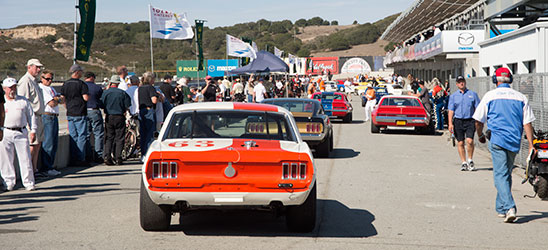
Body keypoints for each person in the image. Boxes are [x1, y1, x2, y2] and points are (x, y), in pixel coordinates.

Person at [473, 67, 535, 223]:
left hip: (497, 139)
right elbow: (527, 123)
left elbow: (478, 121)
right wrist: (531, 145)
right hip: (514, 141)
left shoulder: (490, 96)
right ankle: (500, 208)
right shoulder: (520, 97)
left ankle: (509, 207)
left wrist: (480, 135)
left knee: (500, 175)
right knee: (505, 173)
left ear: (495, 80)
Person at [1, 77, 36, 191]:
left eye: (15, 87)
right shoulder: (3, 102)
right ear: (4, 89)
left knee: (25, 158)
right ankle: (8, 182)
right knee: (6, 159)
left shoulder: (23, 101)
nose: (13, 90)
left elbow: (31, 116)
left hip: (21, 132)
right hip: (6, 131)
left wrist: (33, 130)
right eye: (10, 88)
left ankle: (28, 182)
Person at [448, 76, 481, 171]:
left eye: (463, 81)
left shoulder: (473, 94)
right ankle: (463, 162)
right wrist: (450, 123)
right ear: (457, 84)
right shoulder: (453, 96)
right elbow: (451, 110)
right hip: (458, 121)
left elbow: (477, 108)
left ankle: (470, 160)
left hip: (470, 120)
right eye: (459, 82)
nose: (461, 83)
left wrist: (478, 121)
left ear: (465, 83)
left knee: (470, 141)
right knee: (460, 142)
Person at [17, 58, 45, 173]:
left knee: (37, 145)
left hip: (38, 116)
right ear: (29, 67)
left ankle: (34, 169)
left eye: (39, 67)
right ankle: (29, 171)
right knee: (32, 145)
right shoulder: (25, 81)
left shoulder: (34, 81)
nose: (39, 70)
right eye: (36, 67)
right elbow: (22, 101)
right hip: (31, 117)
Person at [60, 64, 89, 166]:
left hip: (70, 113)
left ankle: (73, 157)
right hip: (80, 112)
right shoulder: (81, 84)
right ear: (77, 72)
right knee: (82, 136)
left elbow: (62, 99)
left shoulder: (66, 84)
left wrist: (67, 106)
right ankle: (80, 158)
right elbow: (85, 98)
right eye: (81, 72)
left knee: (73, 136)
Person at [101, 75, 132, 165]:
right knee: (119, 137)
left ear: (110, 83)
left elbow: (101, 104)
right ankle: (118, 157)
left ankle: (107, 156)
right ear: (118, 83)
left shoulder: (106, 93)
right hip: (120, 116)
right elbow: (127, 104)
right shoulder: (122, 93)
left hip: (109, 116)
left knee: (109, 137)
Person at [38, 70, 62, 177]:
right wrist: (57, 99)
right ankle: (46, 167)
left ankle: (50, 165)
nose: (50, 81)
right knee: (48, 143)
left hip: (54, 116)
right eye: (47, 79)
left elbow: (62, 99)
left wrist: (57, 99)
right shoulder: (42, 88)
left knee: (54, 142)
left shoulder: (51, 88)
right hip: (47, 116)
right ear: (42, 78)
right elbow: (52, 103)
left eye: (51, 79)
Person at [84, 71, 104, 163]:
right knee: (98, 133)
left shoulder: (82, 86)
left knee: (86, 134)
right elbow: (101, 99)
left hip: (84, 111)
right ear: (92, 78)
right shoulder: (97, 87)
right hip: (94, 110)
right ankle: (98, 155)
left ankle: (87, 155)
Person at [138, 72, 159, 160]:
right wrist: (158, 95)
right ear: (151, 79)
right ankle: (148, 153)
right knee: (150, 133)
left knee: (143, 133)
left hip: (141, 110)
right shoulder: (151, 88)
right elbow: (154, 100)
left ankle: (143, 153)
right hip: (149, 110)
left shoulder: (140, 88)